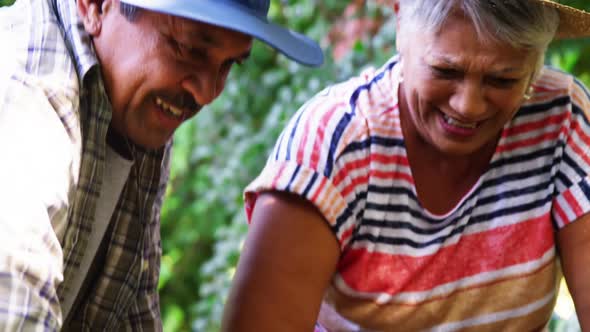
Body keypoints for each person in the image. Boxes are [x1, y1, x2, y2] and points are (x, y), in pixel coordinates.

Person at [222, 0, 590, 331]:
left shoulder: (562, 117)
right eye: (446, 71)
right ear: (401, 24)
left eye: (503, 79)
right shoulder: (335, 141)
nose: (469, 106)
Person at [0, 0, 323, 330]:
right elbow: (14, 310)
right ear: (96, 7)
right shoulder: (23, 96)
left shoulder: (136, 108)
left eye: (228, 66)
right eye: (188, 49)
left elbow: (130, 311)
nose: (206, 92)